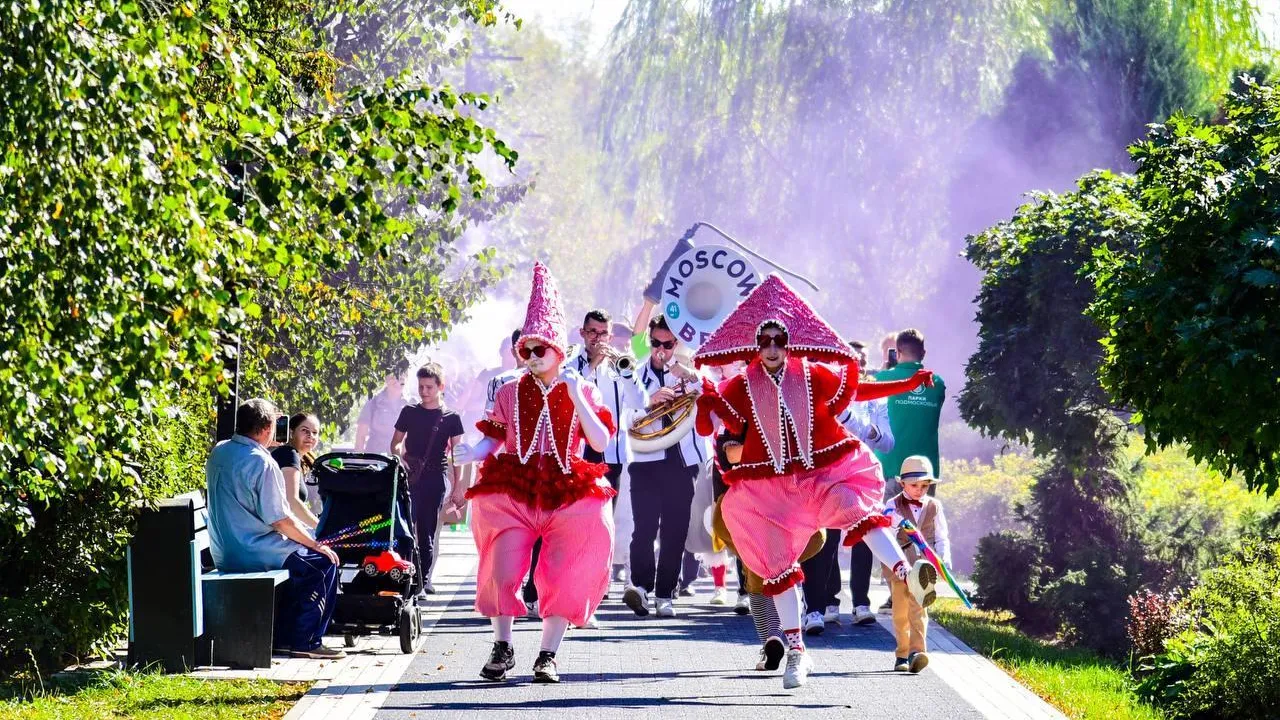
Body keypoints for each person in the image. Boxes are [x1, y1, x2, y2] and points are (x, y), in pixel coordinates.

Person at [692, 274, 938, 689]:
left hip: (824, 469)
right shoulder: (738, 385)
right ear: (755, 345)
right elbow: (706, 427)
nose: (772, 347)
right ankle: (796, 653)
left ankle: (906, 573)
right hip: (769, 490)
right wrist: (703, 399)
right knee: (777, 568)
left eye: (779, 339)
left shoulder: (812, 374)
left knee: (856, 509)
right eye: (764, 340)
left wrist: (910, 382)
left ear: (789, 343)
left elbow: (859, 389)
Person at [456, 262, 617, 684]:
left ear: (558, 352)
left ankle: (548, 654)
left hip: (568, 487)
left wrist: (577, 393)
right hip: (516, 486)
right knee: (504, 568)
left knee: (570, 565)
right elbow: (494, 435)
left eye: (538, 350)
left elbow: (599, 443)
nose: (530, 357)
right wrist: (473, 451)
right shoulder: (509, 390)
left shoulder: (582, 387)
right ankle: (503, 645)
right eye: (524, 350)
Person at [205, 398, 345, 659]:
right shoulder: (262, 462)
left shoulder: (220, 451)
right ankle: (307, 641)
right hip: (254, 549)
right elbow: (279, 519)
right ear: (268, 427)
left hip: (224, 551)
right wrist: (315, 543)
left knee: (303, 564)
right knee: (322, 563)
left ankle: (283, 640)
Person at [622, 315, 709, 619]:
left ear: (676, 344)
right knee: (643, 528)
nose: (661, 350)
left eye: (667, 344)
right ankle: (642, 588)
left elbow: (709, 391)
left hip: (681, 461)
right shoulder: (633, 374)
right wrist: (649, 401)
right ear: (650, 341)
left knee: (675, 530)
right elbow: (622, 415)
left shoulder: (686, 373)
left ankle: (665, 594)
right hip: (645, 460)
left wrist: (680, 373)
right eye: (656, 343)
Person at [835, 340, 897, 628]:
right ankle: (827, 601)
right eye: (851, 359)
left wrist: (867, 428)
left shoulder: (876, 398)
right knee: (829, 537)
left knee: (864, 535)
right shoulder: (831, 392)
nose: (857, 365)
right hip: (833, 472)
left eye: (861, 360)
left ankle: (861, 602)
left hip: (865, 475)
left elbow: (888, 442)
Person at [390, 363, 465, 599]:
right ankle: (403, 578)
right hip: (410, 476)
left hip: (435, 479)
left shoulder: (452, 418)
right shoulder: (409, 411)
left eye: (429, 387)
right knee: (404, 529)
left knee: (427, 532)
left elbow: (457, 453)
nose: (424, 391)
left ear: (440, 387)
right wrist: (399, 457)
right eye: (421, 386)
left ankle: (421, 583)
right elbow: (395, 442)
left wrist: (458, 486)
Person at [884, 456, 951, 674]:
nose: (919, 490)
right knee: (901, 611)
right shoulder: (892, 505)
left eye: (925, 486)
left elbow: (942, 536)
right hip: (899, 566)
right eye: (914, 485)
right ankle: (902, 654)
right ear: (902, 483)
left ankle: (917, 652)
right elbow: (886, 534)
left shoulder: (935, 506)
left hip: (924, 568)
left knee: (919, 609)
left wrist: (944, 559)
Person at [875, 328, 946, 496]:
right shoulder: (938, 383)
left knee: (891, 521)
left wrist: (885, 371)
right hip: (925, 472)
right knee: (919, 521)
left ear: (898, 352)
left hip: (891, 467)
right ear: (923, 353)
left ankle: (901, 525)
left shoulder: (883, 379)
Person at [271, 413, 323, 528]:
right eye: (305, 430)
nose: (310, 436)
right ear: (292, 432)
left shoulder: (293, 456)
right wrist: (321, 528)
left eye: (315, 433)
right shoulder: (289, 454)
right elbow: (292, 502)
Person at [355, 361, 409, 453]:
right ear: (386, 379)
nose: (397, 381)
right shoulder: (373, 402)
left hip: (402, 460)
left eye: (401, 378)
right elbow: (361, 435)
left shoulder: (411, 404)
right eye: (393, 377)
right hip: (375, 458)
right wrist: (360, 460)